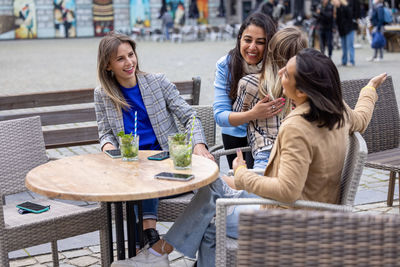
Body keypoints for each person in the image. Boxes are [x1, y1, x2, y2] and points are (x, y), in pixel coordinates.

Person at [111, 48, 387, 267]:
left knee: (212, 220)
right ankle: (160, 254)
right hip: (314, 210)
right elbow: (361, 118)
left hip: (291, 223)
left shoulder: (297, 127)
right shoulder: (336, 110)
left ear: (302, 91)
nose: (279, 72)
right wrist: (369, 90)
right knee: (215, 187)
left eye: (286, 74)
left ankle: (159, 253)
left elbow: (287, 192)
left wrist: (242, 176)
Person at [94, 31, 214, 257]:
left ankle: (149, 238)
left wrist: (198, 145)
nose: (129, 62)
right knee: (141, 173)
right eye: (120, 59)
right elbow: (105, 133)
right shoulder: (102, 94)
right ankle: (150, 241)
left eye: (131, 55)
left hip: (165, 162)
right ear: (108, 65)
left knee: (151, 174)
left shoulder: (157, 82)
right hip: (130, 167)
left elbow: (190, 117)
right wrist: (108, 148)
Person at [213, 12, 283, 169]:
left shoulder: (277, 65)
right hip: (236, 136)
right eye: (247, 40)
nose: (252, 47)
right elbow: (219, 116)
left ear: (270, 44)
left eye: (260, 42)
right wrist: (253, 114)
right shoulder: (226, 65)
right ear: (239, 39)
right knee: (243, 183)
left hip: (269, 136)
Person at [232, 26, 308, 170]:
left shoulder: (249, 83)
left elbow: (237, 118)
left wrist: (252, 114)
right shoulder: (307, 88)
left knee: (228, 186)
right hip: (299, 153)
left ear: (270, 52)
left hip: (265, 154)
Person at [332, 0, 360, 66]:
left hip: (349, 29)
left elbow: (350, 18)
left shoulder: (345, 7)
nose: (334, 3)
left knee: (350, 45)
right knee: (343, 46)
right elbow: (337, 21)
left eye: (335, 1)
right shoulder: (337, 9)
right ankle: (344, 61)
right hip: (342, 30)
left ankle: (352, 61)